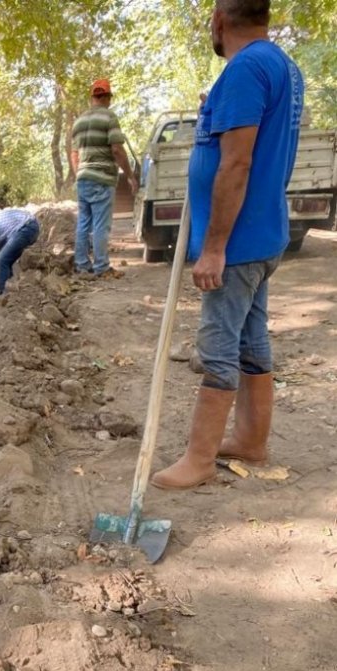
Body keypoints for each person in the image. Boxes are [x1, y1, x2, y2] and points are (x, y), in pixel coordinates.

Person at [152, 0, 303, 490]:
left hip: (238, 241)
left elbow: (236, 164)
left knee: (218, 344)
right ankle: (251, 441)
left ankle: (198, 460)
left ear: (218, 20)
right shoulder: (278, 64)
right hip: (263, 234)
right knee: (250, 338)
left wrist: (214, 247)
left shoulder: (246, 69)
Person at [71, 78, 138, 279]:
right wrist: (130, 175)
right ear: (108, 97)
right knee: (101, 224)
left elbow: (74, 153)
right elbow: (117, 149)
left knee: (84, 223)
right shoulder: (109, 117)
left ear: (92, 97)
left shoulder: (79, 121)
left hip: (82, 177)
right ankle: (101, 267)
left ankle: (82, 265)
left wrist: (80, 174)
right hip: (102, 178)